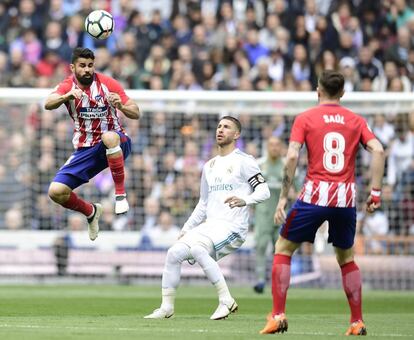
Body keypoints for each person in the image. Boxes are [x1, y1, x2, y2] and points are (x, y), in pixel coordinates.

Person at [259, 70, 385, 335]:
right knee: (346, 258)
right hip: (345, 199)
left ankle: (278, 315)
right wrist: (375, 193)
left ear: (318, 90)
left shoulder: (305, 118)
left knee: (283, 248)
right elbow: (379, 150)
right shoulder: (356, 120)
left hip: (315, 195)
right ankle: (356, 321)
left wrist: (283, 197)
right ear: (342, 93)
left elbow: (292, 156)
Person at [144, 116, 270, 320]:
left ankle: (226, 300)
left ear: (236, 134)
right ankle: (166, 307)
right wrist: (186, 228)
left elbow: (264, 192)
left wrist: (244, 200)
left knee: (198, 249)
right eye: (219, 126)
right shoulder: (209, 166)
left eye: (227, 127)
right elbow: (203, 203)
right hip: (210, 226)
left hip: (233, 227)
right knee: (174, 253)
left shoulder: (244, 161)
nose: (221, 129)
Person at [44, 47, 140, 241]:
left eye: (90, 65)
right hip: (86, 148)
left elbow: (136, 112)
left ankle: (120, 195)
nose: (87, 70)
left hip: (117, 141)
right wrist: (66, 97)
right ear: (72, 67)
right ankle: (91, 212)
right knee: (56, 191)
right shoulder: (67, 86)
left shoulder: (107, 83)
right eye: (82, 66)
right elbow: (48, 103)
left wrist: (120, 106)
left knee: (108, 137)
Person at [253, 136, 286, 294]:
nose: (274, 148)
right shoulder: (259, 165)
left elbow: (298, 188)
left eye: (277, 145)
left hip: (281, 215)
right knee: (261, 246)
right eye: (271, 144)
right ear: (267, 147)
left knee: (279, 249)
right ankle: (260, 280)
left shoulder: (287, 166)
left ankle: (278, 281)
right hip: (263, 215)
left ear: (281, 148)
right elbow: (249, 188)